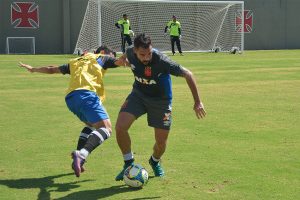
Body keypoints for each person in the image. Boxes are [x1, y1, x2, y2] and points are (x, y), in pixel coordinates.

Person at [18, 46, 123, 178]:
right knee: (106, 129)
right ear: (103, 52)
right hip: (87, 95)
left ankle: (79, 159)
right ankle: (82, 154)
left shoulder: (75, 61)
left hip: (71, 99)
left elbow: (51, 69)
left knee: (91, 126)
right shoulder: (102, 58)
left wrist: (33, 69)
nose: (112, 57)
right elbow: (122, 61)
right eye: (111, 55)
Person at [114, 33, 206, 181]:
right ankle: (128, 164)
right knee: (120, 127)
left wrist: (197, 102)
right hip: (138, 95)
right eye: (142, 54)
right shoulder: (131, 51)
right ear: (136, 51)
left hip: (161, 102)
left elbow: (188, 74)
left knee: (161, 142)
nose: (146, 57)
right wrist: (123, 59)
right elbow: (126, 53)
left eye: (149, 53)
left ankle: (155, 161)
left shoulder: (162, 61)